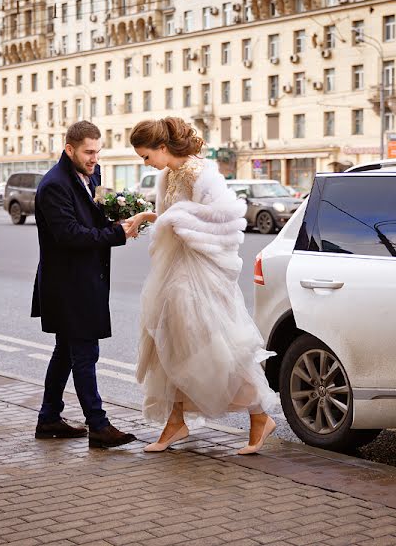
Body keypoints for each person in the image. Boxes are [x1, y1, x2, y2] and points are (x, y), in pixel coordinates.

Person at [125, 117, 278, 455]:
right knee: (172, 341)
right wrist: (145, 217)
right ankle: (176, 420)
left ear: (162, 148)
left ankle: (259, 416)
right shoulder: (167, 174)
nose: (145, 163)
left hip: (201, 271)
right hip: (174, 270)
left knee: (215, 344)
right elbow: (168, 214)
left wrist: (177, 219)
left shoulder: (200, 172)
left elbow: (223, 219)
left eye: (146, 156)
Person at [31, 121, 139, 449]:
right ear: (69, 150)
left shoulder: (90, 175)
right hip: (68, 285)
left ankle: (49, 418)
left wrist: (118, 221)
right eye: (88, 152)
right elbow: (70, 235)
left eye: (98, 151)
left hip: (82, 280)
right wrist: (118, 234)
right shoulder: (54, 185)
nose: (95, 158)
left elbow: (90, 219)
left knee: (65, 352)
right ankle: (99, 425)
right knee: (84, 353)